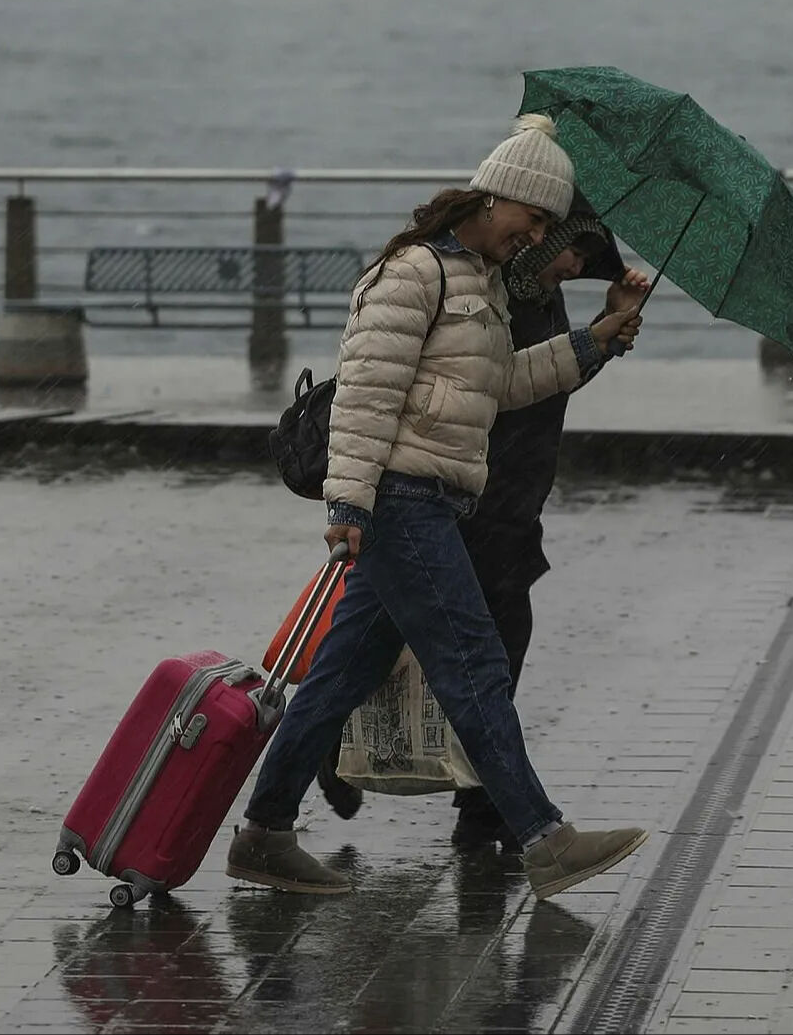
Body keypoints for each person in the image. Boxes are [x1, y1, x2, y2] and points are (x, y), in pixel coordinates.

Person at [227, 115, 650, 900]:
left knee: (337, 680)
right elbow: (364, 397)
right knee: (474, 665)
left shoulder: (481, 282)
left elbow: (502, 387)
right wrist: (349, 505)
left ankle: (263, 832)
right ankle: (545, 839)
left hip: (435, 501)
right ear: (502, 199)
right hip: (401, 500)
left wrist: (599, 339)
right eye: (533, 221)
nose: (534, 240)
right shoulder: (413, 272)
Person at [312, 195, 647, 847]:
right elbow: (485, 384)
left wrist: (604, 334)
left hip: (509, 494)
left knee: (398, 642)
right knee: (469, 652)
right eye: (571, 249)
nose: (575, 264)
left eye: (582, 255)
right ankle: (496, 810)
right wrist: (357, 497)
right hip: (461, 493)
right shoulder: (498, 290)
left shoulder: (535, 291)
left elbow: (541, 377)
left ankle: (320, 769)